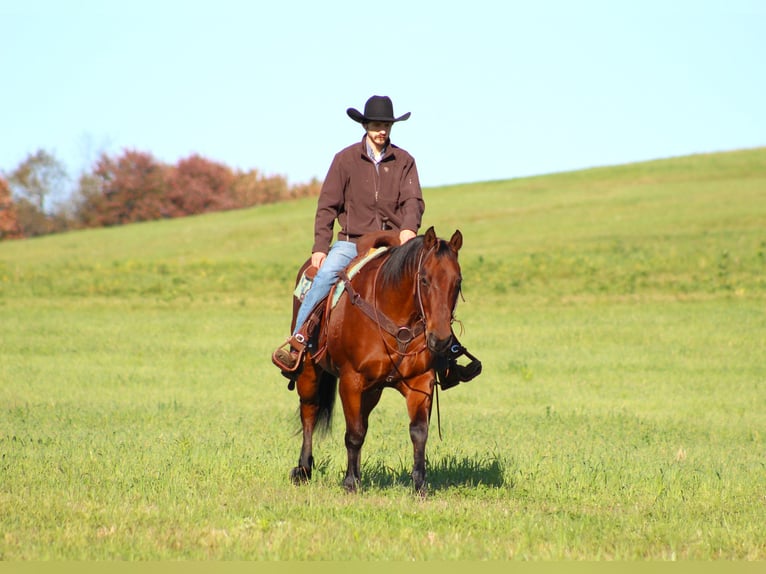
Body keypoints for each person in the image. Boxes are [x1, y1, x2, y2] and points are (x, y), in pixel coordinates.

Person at [273, 95, 424, 372]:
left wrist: (408, 230)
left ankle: (443, 351)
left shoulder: (405, 161)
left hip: (393, 244)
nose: (382, 131)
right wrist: (320, 247)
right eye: (377, 125)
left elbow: (413, 201)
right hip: (351, 243)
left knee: (429, 280)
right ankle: (297, 343)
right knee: (324, 277)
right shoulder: (344, 160)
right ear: (365, 125)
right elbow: (327, 206)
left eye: (387, 125)